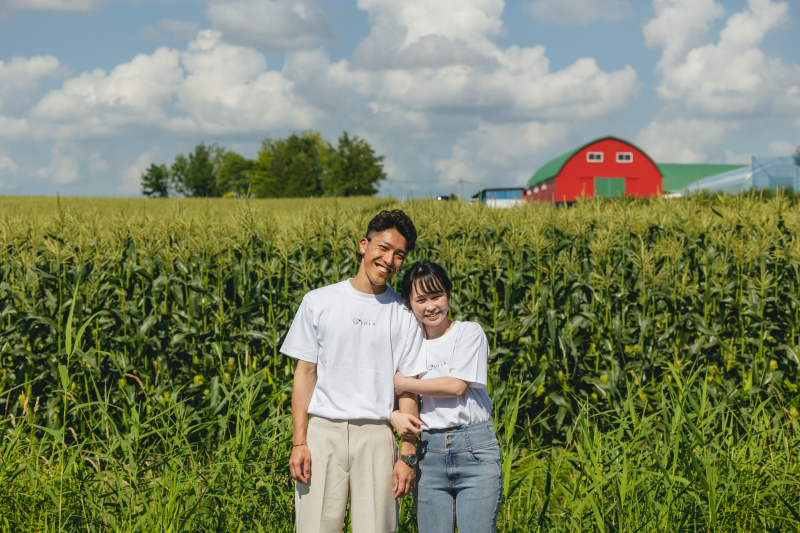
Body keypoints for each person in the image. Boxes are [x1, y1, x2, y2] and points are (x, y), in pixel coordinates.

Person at [282, 209, 426, 533]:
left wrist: (407, 455)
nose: (389, 260)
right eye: (383, 248)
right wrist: (299, 442)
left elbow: (408, 388)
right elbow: (305, 374)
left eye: (399, 255)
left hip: (376, 436)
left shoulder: (404, 314)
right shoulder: (318, 301)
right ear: (364, 245)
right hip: (321, 435)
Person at [391, 261, 503, 533]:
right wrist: (393, 413)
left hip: (475, 448)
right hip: (430, 452)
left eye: (436, 296)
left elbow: (456, 385)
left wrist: (404, 382)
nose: (431, 306)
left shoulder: (469, 332)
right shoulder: (410, 344)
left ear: (448, 296)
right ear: (408, 302)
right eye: (421, 299)